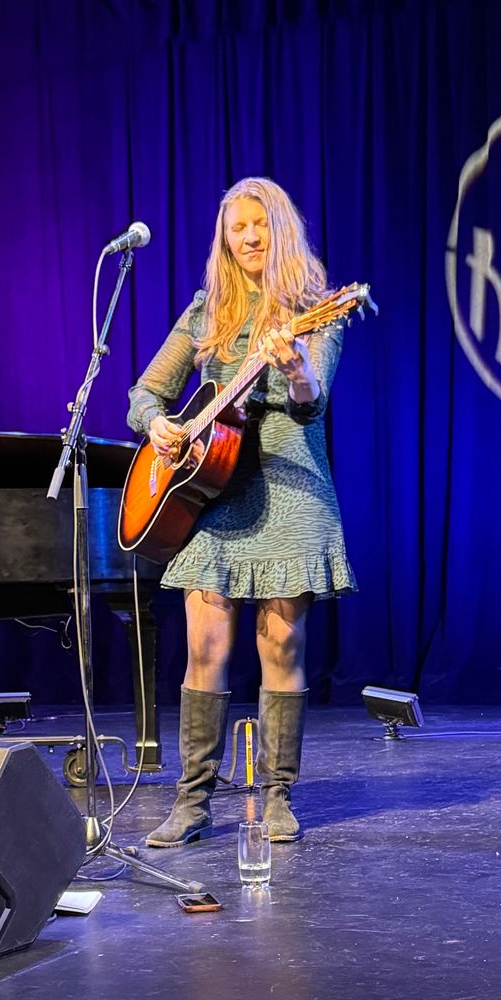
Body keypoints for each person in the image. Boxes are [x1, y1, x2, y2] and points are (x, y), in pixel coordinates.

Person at [128, 177, 354, 847]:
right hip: (212, 493)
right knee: (204, 645)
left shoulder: (316, 309)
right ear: (224, 239)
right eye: (238, 228)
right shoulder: (207, 311)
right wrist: (158, 425)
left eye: (260, 224)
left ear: (281, 230)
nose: (250, 237)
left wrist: (297, 370)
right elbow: (145, 393)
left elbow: (312, 402)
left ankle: (278, 795)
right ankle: (192, 802)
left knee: (281, 643)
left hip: (291, 490)